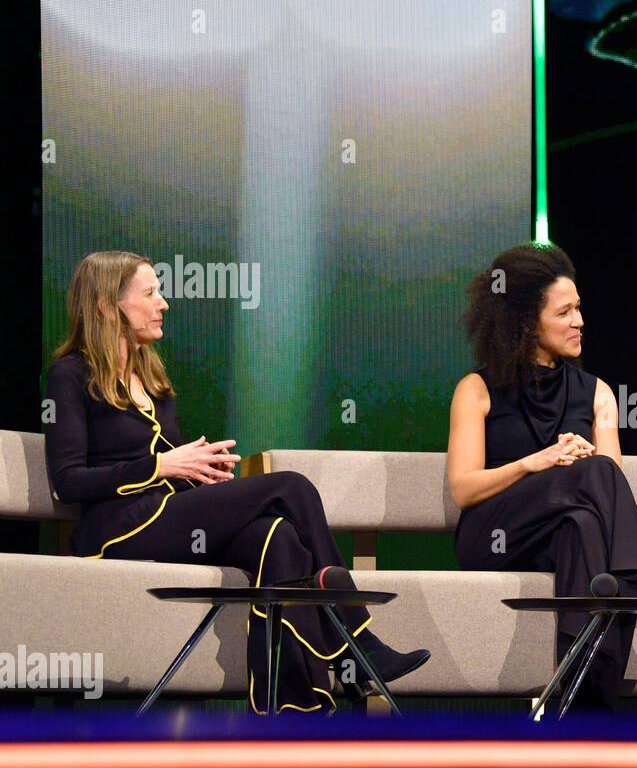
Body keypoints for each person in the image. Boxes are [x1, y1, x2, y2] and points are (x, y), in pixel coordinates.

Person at [44, 250, 429, 714]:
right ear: (107, 306)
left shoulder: (153, 379)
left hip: (168, 517)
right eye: (150, 293)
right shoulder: (70, 375)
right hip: (116, 529)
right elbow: (67, 482)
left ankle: (292, 710)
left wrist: (203, 478)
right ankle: (357, 642)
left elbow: (178, 472)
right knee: (291, 486)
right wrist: (160, 468)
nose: (163, 303)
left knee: (277, 538)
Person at [447, 242, 637, 712]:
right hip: (496, 534)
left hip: (565, 534)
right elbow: (464, 488)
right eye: (565, 312)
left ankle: (584, 702)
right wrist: (534, 462)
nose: (580, 321)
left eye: (579, 308)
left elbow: (610, 492)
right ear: (526, 322)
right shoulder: (477, 390)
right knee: (592, 479)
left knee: (583, 523)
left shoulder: (597, 393)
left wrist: (574, 468)